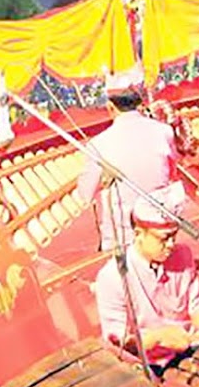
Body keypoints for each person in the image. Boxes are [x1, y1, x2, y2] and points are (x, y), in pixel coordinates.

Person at [95, 187, 199, 372]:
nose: (171, 245)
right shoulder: (112, 277)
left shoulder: (183, 254)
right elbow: (117, 346)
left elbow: (195, 308)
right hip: (149, 365)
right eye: (164, 238)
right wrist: (158, 338)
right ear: (139, 234)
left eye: (174, 236)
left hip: (190, 350)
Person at [76, 65, 180, 251]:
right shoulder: (164, 131)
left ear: (110, 106)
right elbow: (172, 173)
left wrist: (102, 181)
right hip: (162, 228)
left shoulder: (98, 144)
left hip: (125, 238)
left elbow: (85, 194)